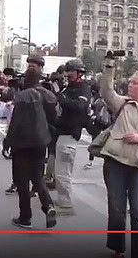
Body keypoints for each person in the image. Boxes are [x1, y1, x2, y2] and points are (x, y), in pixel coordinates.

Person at [99, 54, 138, 258]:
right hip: (115, 162)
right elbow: (106, 91)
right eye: (130, 82)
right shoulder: (122, 104)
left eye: (135, 83)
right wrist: (109, 65)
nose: (130, 86)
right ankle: (117, 249)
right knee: (117, 209)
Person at [5, 67, 58, 229]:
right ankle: (48, 206)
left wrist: (8, 141)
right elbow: (55, 117)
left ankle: (25, 216)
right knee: (37, 177)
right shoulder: (48, 95)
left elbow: (16, 122)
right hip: (41, 141)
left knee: (22, 181)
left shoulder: (22, 96)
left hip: (22, 144)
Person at [51, 59, 91, 209]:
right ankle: (63, 198)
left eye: (71, 71)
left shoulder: (83, 89)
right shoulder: (68, 89)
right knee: (60, 169)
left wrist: (60, 96)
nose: (68, 74)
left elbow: (80, 106)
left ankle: (65, 200)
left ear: (79, 72)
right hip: (61, 132)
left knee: (63, 171)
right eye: (67, 71)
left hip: (69, 133)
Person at [5, 55, 47, 195]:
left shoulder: (44, 88)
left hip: (38, 133)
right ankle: (17, 183)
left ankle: (35, 191)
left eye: (33, 66)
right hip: (23, 136)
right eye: (29, 65)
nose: (30, 68)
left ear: (40, 68)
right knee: (19, 167)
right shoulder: (24, 84)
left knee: (36, 169)